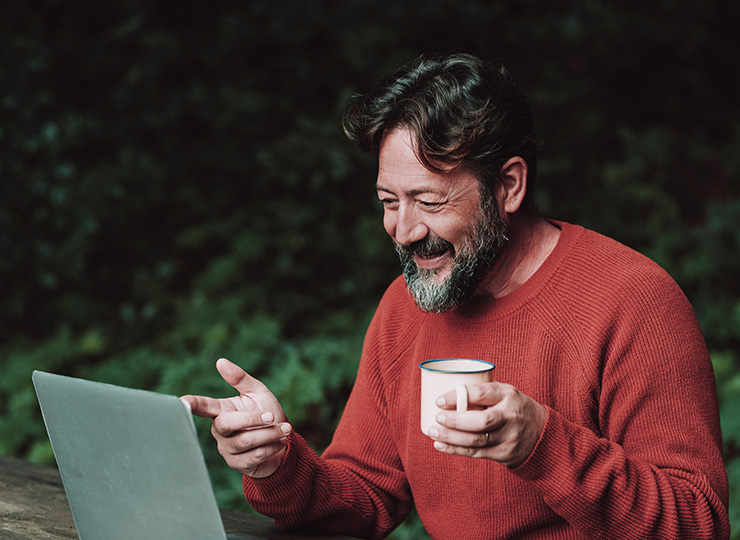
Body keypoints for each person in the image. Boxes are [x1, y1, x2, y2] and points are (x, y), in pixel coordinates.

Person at [182, 53, 730, 539]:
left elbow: (698, 522)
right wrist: (275, 464)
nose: (403, 229)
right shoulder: (402, 307)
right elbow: (364, 498)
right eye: (388, 200)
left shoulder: (633, 300)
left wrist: (542, 444)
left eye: (430, 201)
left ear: (508, 186)